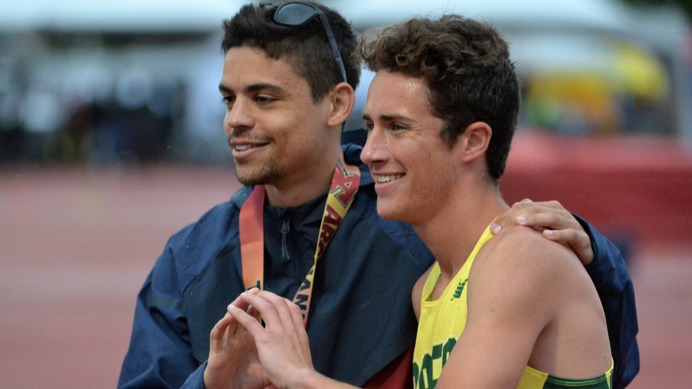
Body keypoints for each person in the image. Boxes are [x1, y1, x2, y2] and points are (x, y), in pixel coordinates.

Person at [118, 2, 638, 388]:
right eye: (229, 98)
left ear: (336, 103)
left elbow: (594, 339)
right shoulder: (192, 257)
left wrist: (596, 257)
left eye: (264, 98)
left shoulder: (412, 228)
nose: (236, 119)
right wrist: (210, 383)